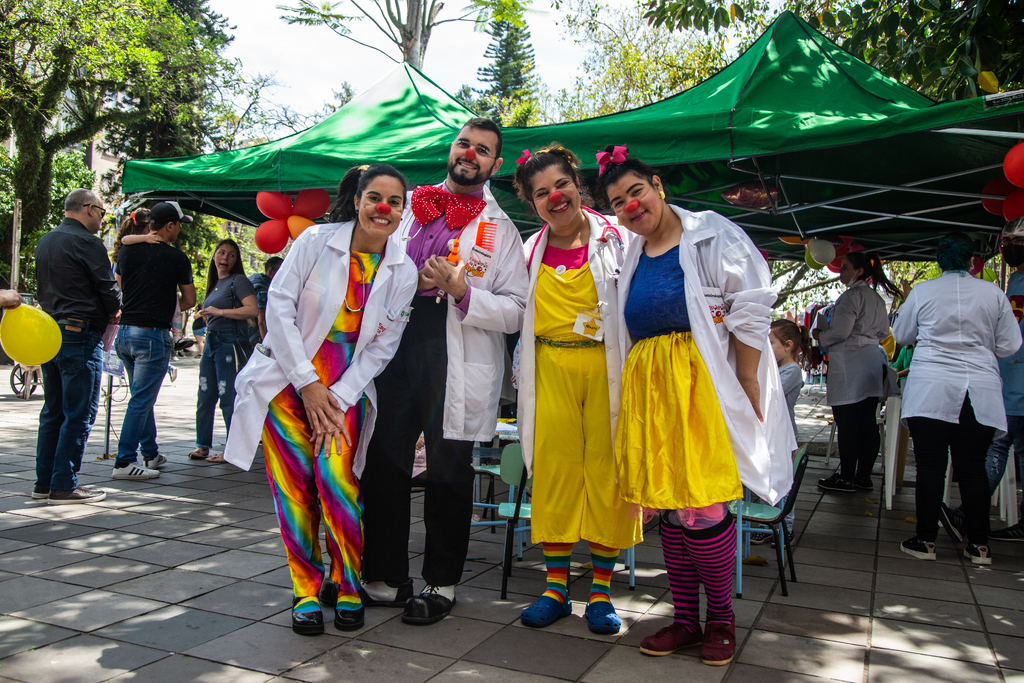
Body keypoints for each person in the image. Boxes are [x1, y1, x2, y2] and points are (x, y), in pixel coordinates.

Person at [597, 145, 794, 666]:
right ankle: (685, 619)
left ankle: (721, 621)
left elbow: (751, 303)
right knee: (669, 505)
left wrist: (748, 376)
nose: (630, 205)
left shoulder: (711, 231)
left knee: (703, 508)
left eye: (635, 191)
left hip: (698, 385)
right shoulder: (631, 251)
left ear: (656, 186)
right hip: (650, 389)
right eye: (618, 201)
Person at [224, 164, 417, 635]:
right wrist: (308, 383)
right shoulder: (315, 242)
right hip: (288, 385)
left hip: (343, 394)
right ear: (357, 200)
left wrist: (339, 395)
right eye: (374, 197)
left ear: (402, 210)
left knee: (338, 485)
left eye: (393, 201)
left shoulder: (403, 269)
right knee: (295, 491)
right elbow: (279, 306)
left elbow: (383, 346)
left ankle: (347, 583)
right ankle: (305, 591)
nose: (383, 208)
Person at [359, 118, 529, 626]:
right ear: (451, 149)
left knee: (449, 471)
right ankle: (385, 577)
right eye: (464, 144)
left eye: (483, 150)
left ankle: (441, 582)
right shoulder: (407, 206)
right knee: (382, 462)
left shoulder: (502, 230)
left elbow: (518, 309)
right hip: (394, 343)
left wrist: (462, 291)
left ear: (495, 165)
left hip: (454, 346)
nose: (470, 154)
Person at [512, 145, 640, 634]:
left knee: (610, 476)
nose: (554, 197)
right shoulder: (526, 252)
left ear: (578, 184)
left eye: (561, 185)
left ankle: (603, 593)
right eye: (541, 192)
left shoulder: (621, 240)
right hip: (549, 369)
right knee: (555, 475)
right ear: (532, 203)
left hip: (610, 369)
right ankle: (556, 588)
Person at [893, 232, 1021, 565]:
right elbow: (1010, 344)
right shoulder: (993, 293)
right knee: (973, 469)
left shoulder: (923, 292)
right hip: (978, 389)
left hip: (931, 388)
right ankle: (979, 545)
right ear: (971, 260)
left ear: (939, 260)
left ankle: (926, 540)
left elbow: (902, 335)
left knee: (931, 468)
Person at [32, 189, 121, 503]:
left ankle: (44, 482)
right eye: (102, 212)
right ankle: (64, 484)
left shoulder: (46, 241)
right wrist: (116, 307)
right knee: (79, 412)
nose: (102, 218)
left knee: (53, 410)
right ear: (88, 208)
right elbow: (107, 287)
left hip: (50, 332)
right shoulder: (88, 242)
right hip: (80, 332)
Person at [945, 218, 1024, 542]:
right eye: (1006, 241)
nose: (1007, 247)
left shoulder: (1017, 284)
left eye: (1014, 241)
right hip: (1012, 381)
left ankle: (966, 515)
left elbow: (1009, 337)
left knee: (997, 448)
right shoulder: (1015, 282)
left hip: (1015, 382)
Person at [113, 201, 196, 479]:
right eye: (179, 225)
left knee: (141, 396)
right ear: (169, 225)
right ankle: (124, 461)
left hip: (124, 333)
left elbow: (120, 286)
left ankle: (150, 453)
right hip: (152, 334)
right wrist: (167, 304)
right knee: (141, 399)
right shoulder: (176, 258)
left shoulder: (127, 251)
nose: (179, 231)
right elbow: (190, 300)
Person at [813, 251, 901, 493]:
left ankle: (847, 476)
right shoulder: (876, 299)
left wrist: (820, 335)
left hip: (851, 359)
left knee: (848, 422)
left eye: (845, 267)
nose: (841, 272)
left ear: (859, 271)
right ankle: (863, 476)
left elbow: (840, 332)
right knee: (867, 422)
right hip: (871, 359)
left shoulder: (851, 297)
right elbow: (884, 332)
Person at [188, 239, 258, 463]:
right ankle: (202, 445)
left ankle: (232, 449)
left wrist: (219, 311)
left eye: (231, 255)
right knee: (205, 395)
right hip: (212, 343)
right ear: (214, 256)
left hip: (230, 343)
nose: (225, 259)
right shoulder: (215, 284)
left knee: (229, 396)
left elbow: (252, 310)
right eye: (221, 253)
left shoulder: (238, 281)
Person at [749, 319, 808, 545]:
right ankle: (768, 526)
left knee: (782, 483)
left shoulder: (791, 371)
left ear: (788, 345)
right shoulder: (779, 369)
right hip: (772, 433)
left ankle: (786, 528)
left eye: (771, 343)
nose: (767, 348)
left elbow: (770, 397)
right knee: (769, 480)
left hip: (783, 435)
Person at [250, 256, 283, 341]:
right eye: (281, 272)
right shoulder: (263, 291)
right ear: (270, 271)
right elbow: (261, 322)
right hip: (257, 336)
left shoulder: (254, 280)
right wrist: (266, 345)